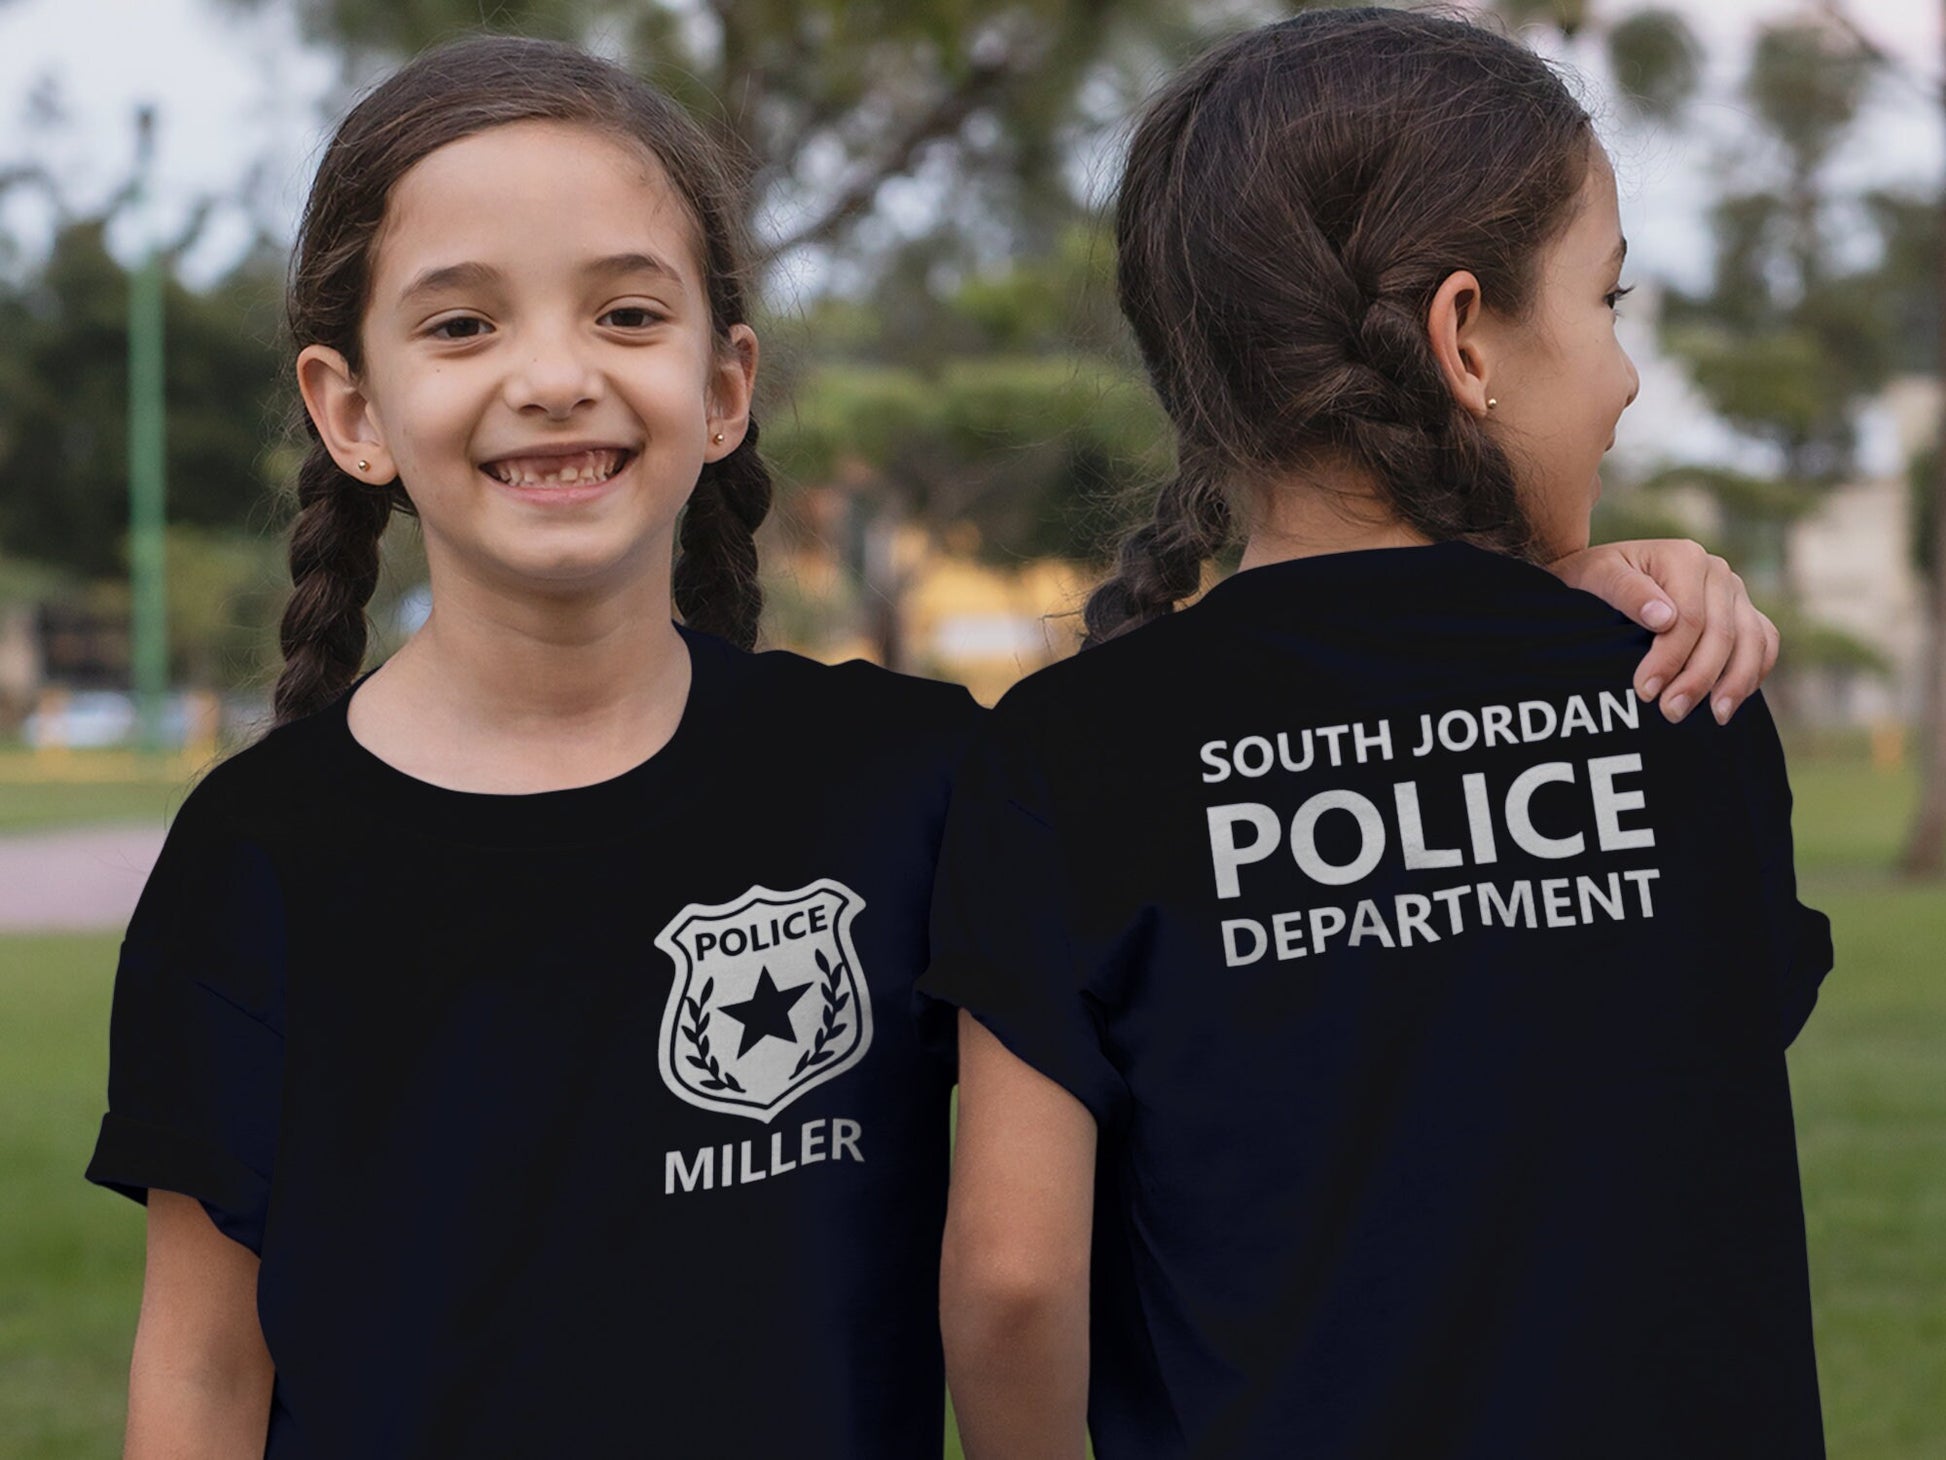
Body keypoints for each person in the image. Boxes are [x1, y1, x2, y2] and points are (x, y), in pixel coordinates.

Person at [84, 23, 1780, 1460]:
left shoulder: (912, 780)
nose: (552, 376)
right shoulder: (260, 855)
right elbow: (206, 1365)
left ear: (727, 382)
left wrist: (1566, 584)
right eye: (462, 325)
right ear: (349, 406)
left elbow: (1297, 807)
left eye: (624, 313)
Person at [921, 10, 1830, 1460]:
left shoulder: (1066, 753)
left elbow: (1015, 1282)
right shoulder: (1676, 689)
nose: (1624, 376)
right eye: (1606, 303)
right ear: (1463, 336)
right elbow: (1644, 1082)